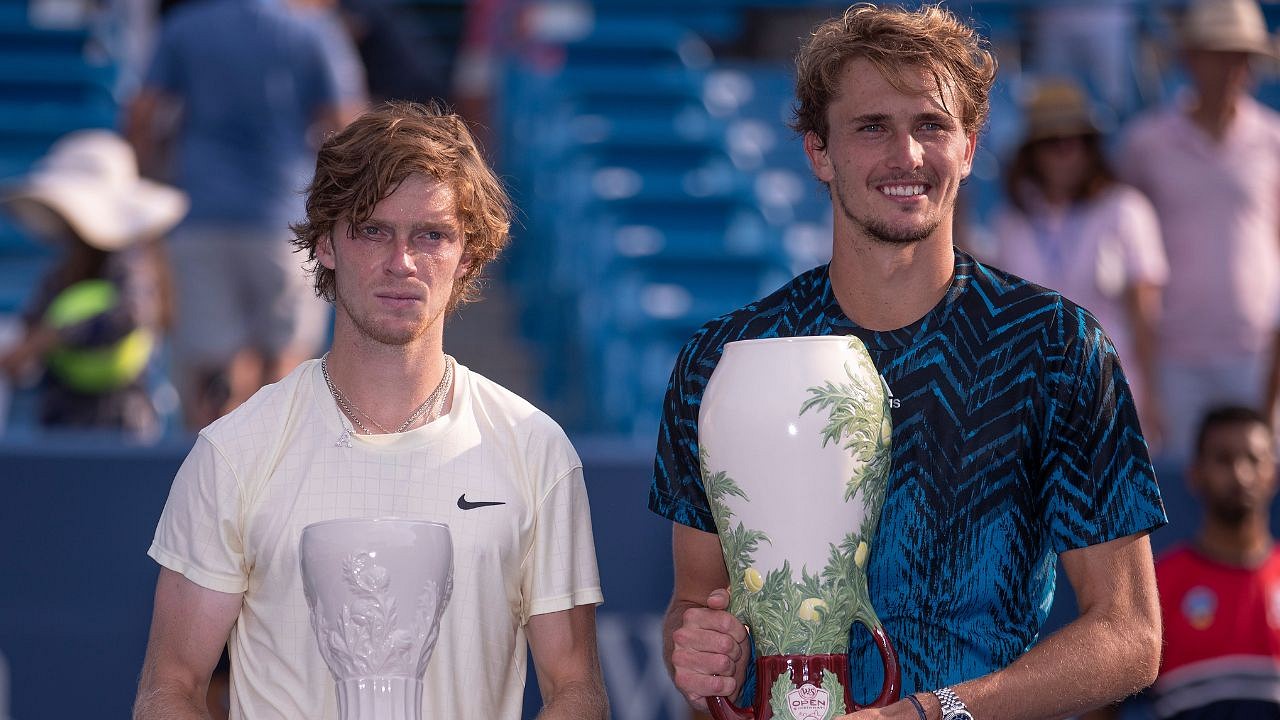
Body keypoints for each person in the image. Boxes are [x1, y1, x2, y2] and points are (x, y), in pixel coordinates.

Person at [649, 5, 1166, 720]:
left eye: (931, 125)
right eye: (872, 127)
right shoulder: (725, 363)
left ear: (970, 146)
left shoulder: (1057, 348)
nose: (908, 156)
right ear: (818, 152)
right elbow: (690, 602)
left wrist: (934, 712)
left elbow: (1131, 635)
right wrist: (699, 643)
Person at [132, 102, 607, 719]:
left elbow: (576, 690)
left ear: (467, 255)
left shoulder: (535, 448)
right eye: (371, 229)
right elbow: (171, 688)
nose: (401, 262)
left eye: (431, 234)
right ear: (326, 244)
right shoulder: (234, 451)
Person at [125, 0, 357, 431]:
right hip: (287, 220)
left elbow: (142, 114)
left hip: (199, 217)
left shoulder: (185, 26)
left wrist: (148, 181)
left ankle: (216, 482)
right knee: (287, 359)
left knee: (212, 368)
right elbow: (344, 125)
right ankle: (277, 481)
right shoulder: (312, 30)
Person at [1117, 0, 1280, 465]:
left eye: (1243, 54)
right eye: (1222, 52)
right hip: (1174, 352)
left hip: (1258, 350)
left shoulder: (1274, 141)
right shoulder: (1144, 145)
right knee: (1179, 483)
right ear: (1192, 58)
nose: (1235, 66)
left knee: (1256, 487)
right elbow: (1131, 254)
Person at [991, 78, 1167, 451]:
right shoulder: (1013, 221)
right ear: (1033, 152)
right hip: (1037, 395)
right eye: (1051, 143)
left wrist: (1152, 397)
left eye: (1075, 141)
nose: (1065, 152)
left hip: (1113, 389)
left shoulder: (1126, 209)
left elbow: (1145, 316)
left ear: (1091, 147)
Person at [0, 129, 181, 439]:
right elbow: (35, 321)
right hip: (60, 419)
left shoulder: (131, 263)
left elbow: (130, 314)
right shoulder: (62, 271)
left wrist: (49, 338)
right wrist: (22, 351)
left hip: (121, 424)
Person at [1147, 405, 1279, 719]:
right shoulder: (1157, 584)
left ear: (1272, 473)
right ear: (1195, 474)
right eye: (1224, 459)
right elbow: (1105, 705)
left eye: (1253, 459)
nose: (1240, 474)